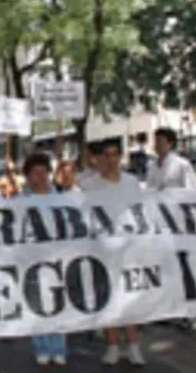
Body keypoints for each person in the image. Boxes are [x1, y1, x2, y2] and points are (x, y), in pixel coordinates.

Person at [81, 139, 146, 366]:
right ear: (99, 158)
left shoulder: (131, 182)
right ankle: (112, 345)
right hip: (102, 248)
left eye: (114, 155)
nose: (110, 160)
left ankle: (133, 345)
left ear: (121, 157)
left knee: (129, 297)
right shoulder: (90, 185)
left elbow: (140, 211)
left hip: (129, 247)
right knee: (108, 297)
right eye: (105, 155)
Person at [145, 127, 196, 331]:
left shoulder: (181, 166)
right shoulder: (152, 166)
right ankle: (168, 309)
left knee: (183, 266)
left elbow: (192, 192)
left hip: (178, 223)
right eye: (155, 141)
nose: (156, 145)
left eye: (160, 141)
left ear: (170, 143)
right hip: (159, 224)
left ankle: (189, 311)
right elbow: (148, 191)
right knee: (165, 266)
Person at [21, 153, 68, 366]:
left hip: (59, 257)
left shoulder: (62, 197)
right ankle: (41, 346)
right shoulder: (20, 201)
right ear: (28, 177)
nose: (39, 177)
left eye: (43, 172)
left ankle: (58, 348)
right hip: (32, 258)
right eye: (34, 173)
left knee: (59, 303)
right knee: (38, 304)